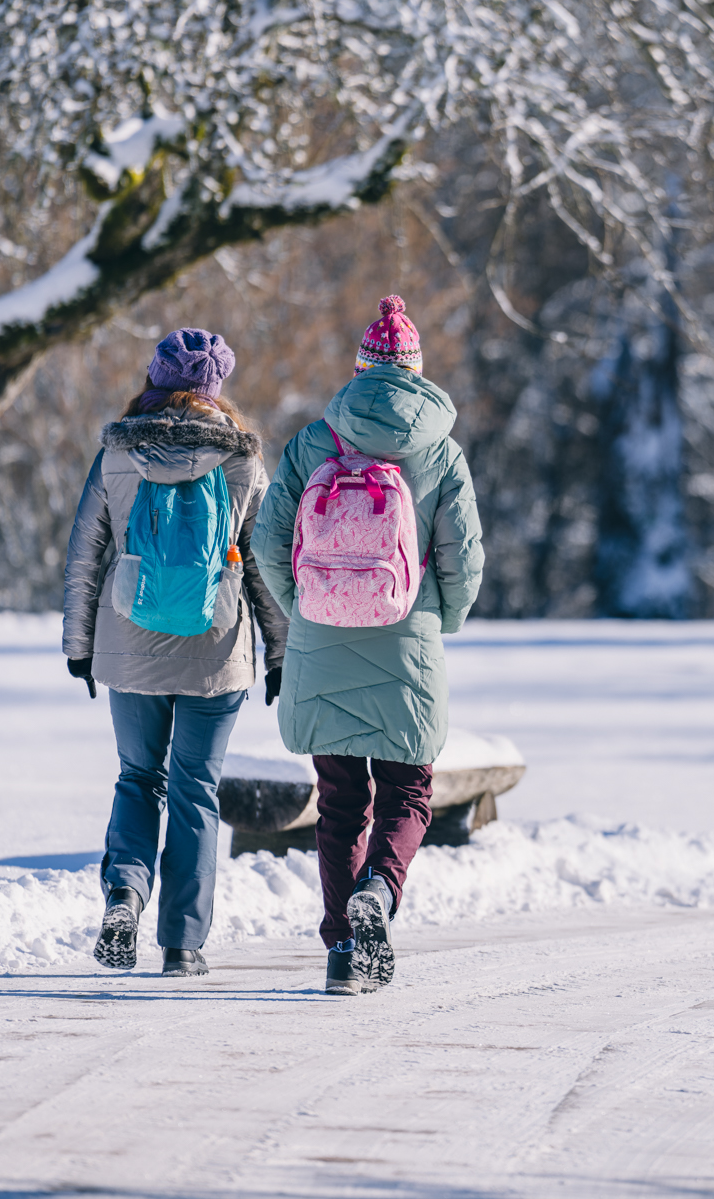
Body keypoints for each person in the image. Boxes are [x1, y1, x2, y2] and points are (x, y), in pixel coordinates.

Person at [253, 296, 483, 995]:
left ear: (361, 368)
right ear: (416, 372)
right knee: (409, 792)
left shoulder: (315, 441)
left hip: (323, 635)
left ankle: (341, 950)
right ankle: (379, 890)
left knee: (341, 798)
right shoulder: (440, 451)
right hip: (408, 639)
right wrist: (442, 617)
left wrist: (305, 608)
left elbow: (266, 540)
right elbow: (463, 557)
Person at [61, 328, 287, 976]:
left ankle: (125, 894)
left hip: (128, 644)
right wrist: (279, 651)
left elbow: (85, 555)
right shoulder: (242, 459)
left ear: (155, 378)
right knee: (196, 790)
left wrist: (80, 645)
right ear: (215, 387)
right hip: (216, 651)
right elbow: (268, 565)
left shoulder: (120, 453)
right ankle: (183, 944)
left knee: (138, 777)